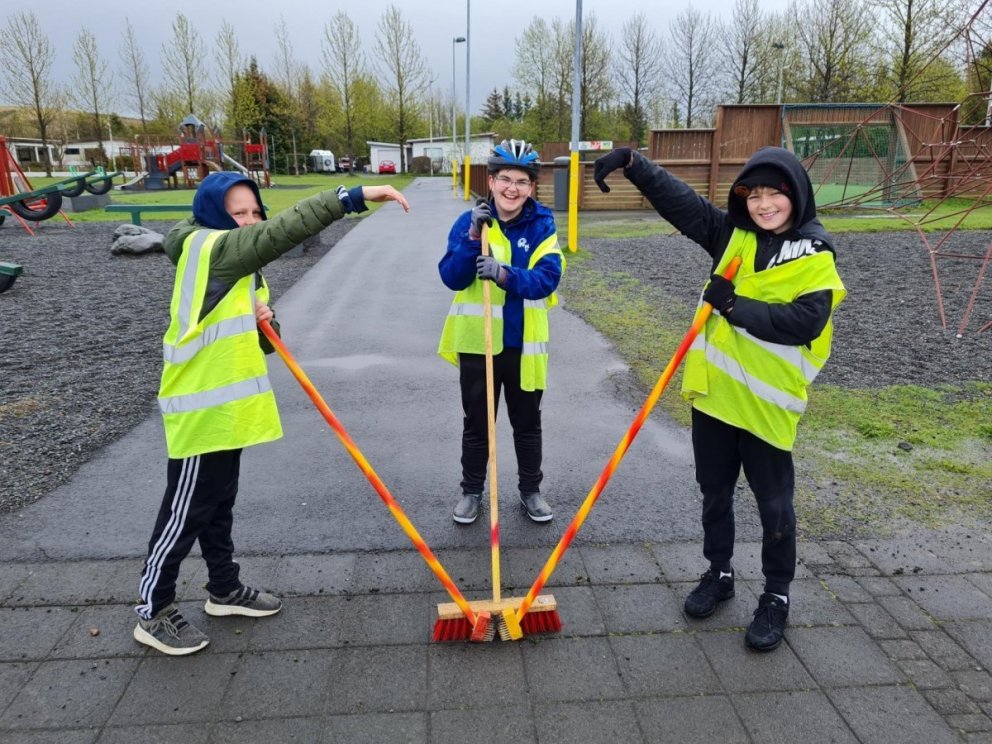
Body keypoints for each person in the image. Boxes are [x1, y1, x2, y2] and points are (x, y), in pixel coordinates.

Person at [134, 171, 410, 656]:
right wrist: (351, 197)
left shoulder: (240, 265)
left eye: (253, 211)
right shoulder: (213, 250)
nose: (249, 221)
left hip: (229, 408)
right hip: (201, 409)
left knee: (218, 504)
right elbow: (285, 230)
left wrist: (265, 321)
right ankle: (151, 609)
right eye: (237, 213)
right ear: (215, 215)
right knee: (185, 512)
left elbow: (261, 340)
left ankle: (223, 588)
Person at [593, 145, 845, 651]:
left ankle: (776, 596)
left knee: (775, 507)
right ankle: (719, 572)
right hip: (714, 398)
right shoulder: (735, 237)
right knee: (715, 493)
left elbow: (805, 323)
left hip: (767, 407)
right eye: (754, 194)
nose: (764, 203)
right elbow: (683, 204)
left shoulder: (815, 252)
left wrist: (733, 305)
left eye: (776, 192)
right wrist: (634, 164)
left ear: (797, 194)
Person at [438, 139, 565, 525]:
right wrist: (474, 239)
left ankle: (530, 491)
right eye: (505, 179)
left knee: (527, 424)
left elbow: (548, 278)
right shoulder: (470, 222)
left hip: (524, 346)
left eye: (522, 181)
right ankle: (472, 491)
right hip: (479, 345)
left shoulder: (542, 223)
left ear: (531, 187)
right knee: (477, 424)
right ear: (491, 181)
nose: (513, 188)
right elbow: (451, 276)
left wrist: (505, 274)